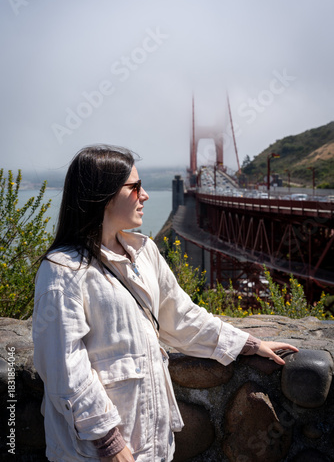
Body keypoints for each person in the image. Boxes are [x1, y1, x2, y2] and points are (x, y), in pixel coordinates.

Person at [33, 145, 298, 462]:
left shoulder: (144, 253)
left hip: (154, 445)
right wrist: (110, 443)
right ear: (102, 195)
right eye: (135, 187)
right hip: (95, 453)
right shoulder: (62, 272)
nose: (144, 196)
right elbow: (64, 368)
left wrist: (248, 344)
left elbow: (182, 317)